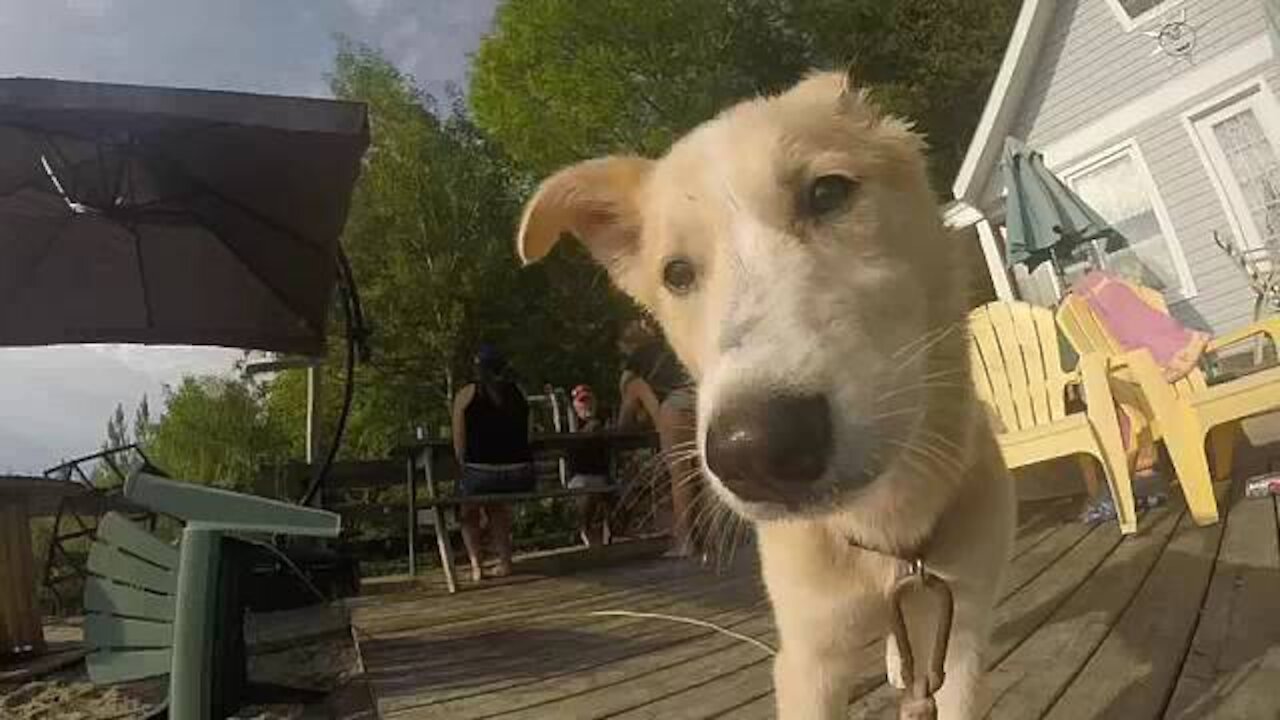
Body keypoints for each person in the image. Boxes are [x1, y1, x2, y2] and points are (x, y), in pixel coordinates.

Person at [615, 319, 700, 558]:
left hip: (675, 406)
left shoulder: (634, 365)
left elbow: (630, 406)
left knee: (680, 477)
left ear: (624, 345)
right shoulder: (672, 347)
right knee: (702, 473)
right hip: (700, 400)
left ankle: (685, 542)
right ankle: (709, 538)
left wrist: (628, 423)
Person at [451, 344, 535, 582]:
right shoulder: (519, 392)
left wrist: (466, 469)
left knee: (466, 508)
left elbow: (459, 445)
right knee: (496, 504)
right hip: (521, 474)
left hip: (481, 473)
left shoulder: (466, 394)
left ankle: (477, 566)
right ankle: (506, 561)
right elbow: (529, 437)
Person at [565, 384, 615, 547]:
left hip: (601, 476)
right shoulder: (569, 425)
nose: (587, 405)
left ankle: (609, 537)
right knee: (586, 492)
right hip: (579, 477)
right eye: (582, 401)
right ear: (575, 405)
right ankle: (583, 533)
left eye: (589, 401)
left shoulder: (603, 423)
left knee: (612, 490)